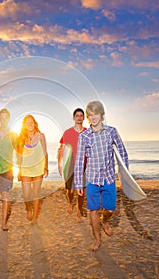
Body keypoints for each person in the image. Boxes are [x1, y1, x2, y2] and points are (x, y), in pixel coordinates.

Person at [74, 101, 128, 251]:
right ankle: (97, 239)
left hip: (109, 178)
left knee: (110, 209)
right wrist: (79, 183)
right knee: (93, 210)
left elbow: (122, 153)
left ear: (101, 114)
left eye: (95, 114)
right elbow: (79, 161)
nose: (93, 117)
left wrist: (125, 175)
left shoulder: (111, 132)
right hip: (91, 179)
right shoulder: (84, 137)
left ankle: (104, 221)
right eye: (90, 115)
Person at [16, 115, 48, 224]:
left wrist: (46, 167)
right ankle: (29, 209)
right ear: (24, 125)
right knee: (26, 194)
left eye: (31, 122)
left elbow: (45, 153)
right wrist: (19, 170)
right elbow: (19, 156)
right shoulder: (21, 139)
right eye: (27, 122)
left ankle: (35, 216)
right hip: (25, 169)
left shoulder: (41, 136)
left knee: (36, 193)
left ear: (35, 123)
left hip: (38, 168)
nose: (30, 124)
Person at [58, 108, 87, 222]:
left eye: (81, 115)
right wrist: (60, 164)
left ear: (83, 118)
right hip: (70, 164)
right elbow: (62, 149)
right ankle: (70, 202)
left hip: (84, 164)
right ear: (74, 118)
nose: (79, 117)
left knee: (81, 190)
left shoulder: (88, 132)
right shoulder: (67, 132)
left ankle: (79, 210)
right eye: (77, 115)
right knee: (70, 190)